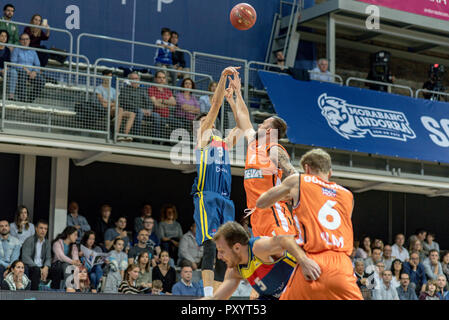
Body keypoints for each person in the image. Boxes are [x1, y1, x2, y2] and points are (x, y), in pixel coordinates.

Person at [256, 148, 363, 300]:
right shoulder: (347, 195)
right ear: (330, 172)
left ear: (306, 168)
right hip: (342, 264)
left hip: (313, 261)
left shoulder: (299, 180)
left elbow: (261, 203)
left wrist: (287, 196)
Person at [191, 66, 243, 297]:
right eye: (206, 120)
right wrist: (223, 79)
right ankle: (208, 293)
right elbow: (214, 106)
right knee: (211, 246)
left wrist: (235, 98)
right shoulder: (203, 137)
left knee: (228, 249)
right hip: (208, 195)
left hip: (225, 198)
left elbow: (242, 126)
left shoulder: (223, 142)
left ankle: (223, 293)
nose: (210, 121)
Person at [227, 72, 297, 239]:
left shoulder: (274, 149)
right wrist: (237, 91)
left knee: (285, 253)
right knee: (267, 260)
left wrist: (291, 194)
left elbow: (293, 174)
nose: (259, 123)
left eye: (264, 123)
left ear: (270, 131)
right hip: (255, 214)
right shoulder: (254, 143)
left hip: (273, 210)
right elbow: (244, 117)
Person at [203, 221, 321, 300]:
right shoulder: (235, 271)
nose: (219, 256)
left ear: (237, 247)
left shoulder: (258, 248)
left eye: (222, 251)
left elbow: (285, 240)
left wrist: (304, 261)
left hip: (304, 288)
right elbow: (216, 299)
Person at [96, 69, 135, 141]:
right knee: (120, 109)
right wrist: (111, 104)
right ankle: (116, 135)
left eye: (110, 76)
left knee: (132, 114)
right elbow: (102, 104)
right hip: (105, 110)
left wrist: (108, 102)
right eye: (107, 76)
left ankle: (125, 135)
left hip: (114, 110)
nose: (109, 78)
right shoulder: (98, 88)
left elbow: (117, 103)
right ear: (103, 77)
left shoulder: (113, 90)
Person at [119, 72, 162, 139]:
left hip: (144, 112)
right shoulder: (125, 89)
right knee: (139, 111)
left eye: (136, 78)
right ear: (129, 80)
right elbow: (126, 102)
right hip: (132, 111)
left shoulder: (143, 90)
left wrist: (149, 110)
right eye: (132, 78)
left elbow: (149, 102)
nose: (135, 80)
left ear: (139, 80)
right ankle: (137, 137)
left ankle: (156, 140)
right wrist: (141, 109)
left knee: (157, 115)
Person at [9, 33, 46, 102]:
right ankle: (22, 99)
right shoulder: (16, 50)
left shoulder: (33, 51)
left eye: (27, 39)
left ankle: (30, 99)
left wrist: (34, 71)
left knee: (42, 80)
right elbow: (13, 63)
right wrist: (23, 68)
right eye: (23, 39)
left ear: (29, 41)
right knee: (23, 73)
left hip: (31, 74)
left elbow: (37, 64)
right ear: (20, 41)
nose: (25, 41)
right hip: (20, 71)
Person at [21, 220, 52, 290]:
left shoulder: (47, 242)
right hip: (31, 266)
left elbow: (48, 257)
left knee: (57, 270)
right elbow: (25, 257)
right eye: (41, 228)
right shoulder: (29, 240)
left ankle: (56, 295)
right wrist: (38, 268)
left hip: (43, 267)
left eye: (45, 229)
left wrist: (46, 267)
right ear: (36, 228)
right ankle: (34, 294)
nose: (43, 231)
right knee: (36, 270)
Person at [148, 70, 177, 136]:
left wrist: (162, 101)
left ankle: (170, 143)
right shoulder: (151, 89)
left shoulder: (168, 91)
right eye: (159, 77)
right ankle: (157, 142)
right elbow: (155, 104)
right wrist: (167, 104)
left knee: (179, 123)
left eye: (163, 78)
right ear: (155, 79)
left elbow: (174, 103)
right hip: (156, 113)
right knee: (161, 120)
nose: (162, 79)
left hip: (167, 115)